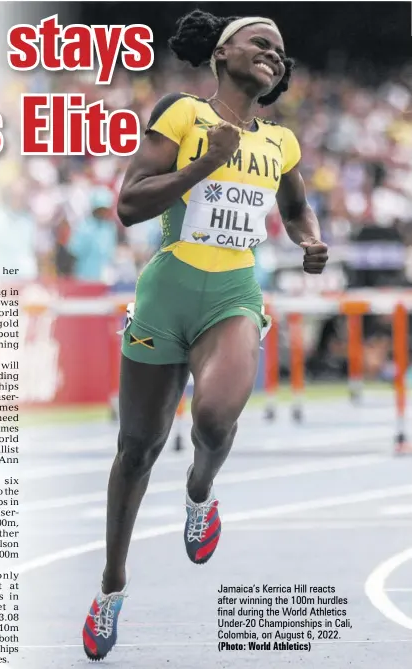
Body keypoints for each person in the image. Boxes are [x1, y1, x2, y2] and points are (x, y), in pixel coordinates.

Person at [81, 10, 329, 661]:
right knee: (136, 448)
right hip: (164, 293)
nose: (272, 54)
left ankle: (198, 494)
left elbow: (295, 203)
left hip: (232, 295)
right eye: (259, 42)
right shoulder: (182, 114)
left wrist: (308, 238)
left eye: (280, 50)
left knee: (215, 419)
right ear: (222, 53)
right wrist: (201, 168)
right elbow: (129, 204)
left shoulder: (279, 142)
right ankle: (111, 586)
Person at [68, 187, 119, 282]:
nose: (103, 212)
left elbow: (110, 252)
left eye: (105, 209)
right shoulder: (84, 226)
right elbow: (74, 251)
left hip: (105, 276)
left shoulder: (109, 227)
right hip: (84, 274)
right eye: (100, 209)